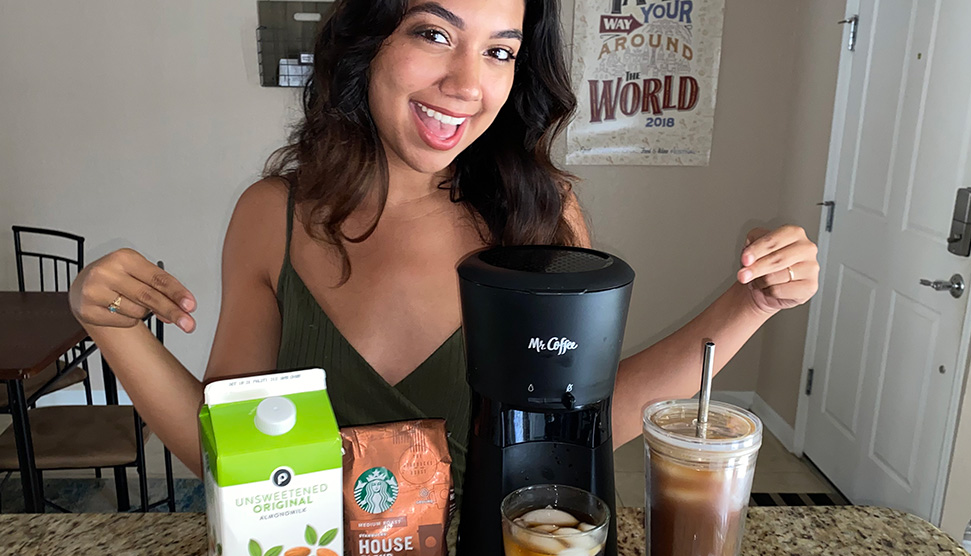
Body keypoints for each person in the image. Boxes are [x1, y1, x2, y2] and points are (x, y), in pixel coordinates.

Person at [68, 0, 819, 488]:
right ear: (368, 45)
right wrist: (114, 329)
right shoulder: (272, 216)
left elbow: (586, 421)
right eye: (434, 34)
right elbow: (225, 453)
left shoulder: (542, 214)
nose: (467, 83)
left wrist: (751, 303)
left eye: (500, 51)